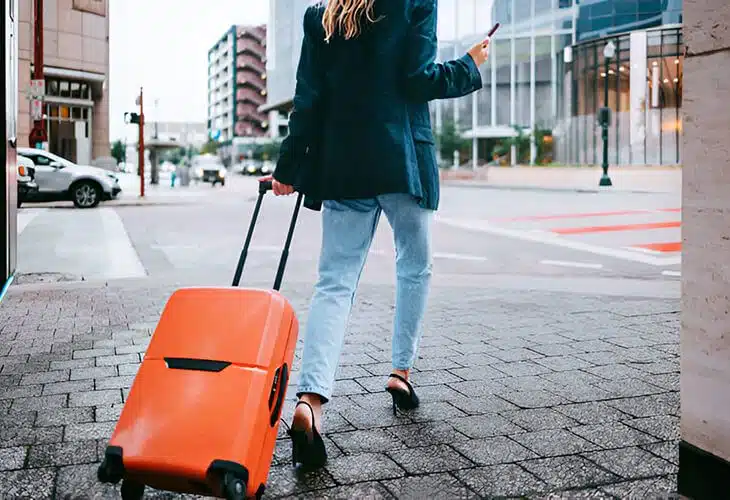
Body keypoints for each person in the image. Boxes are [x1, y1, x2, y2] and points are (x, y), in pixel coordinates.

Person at [268, 0, 491, 470]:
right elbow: (418, 78)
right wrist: (470, 65)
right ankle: (400, 373)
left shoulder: (321, 15)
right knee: (414, 266)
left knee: (335, 283)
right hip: (402, 159)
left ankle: (310, 402)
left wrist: (288, 168)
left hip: (344, 167)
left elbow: (307, 100)